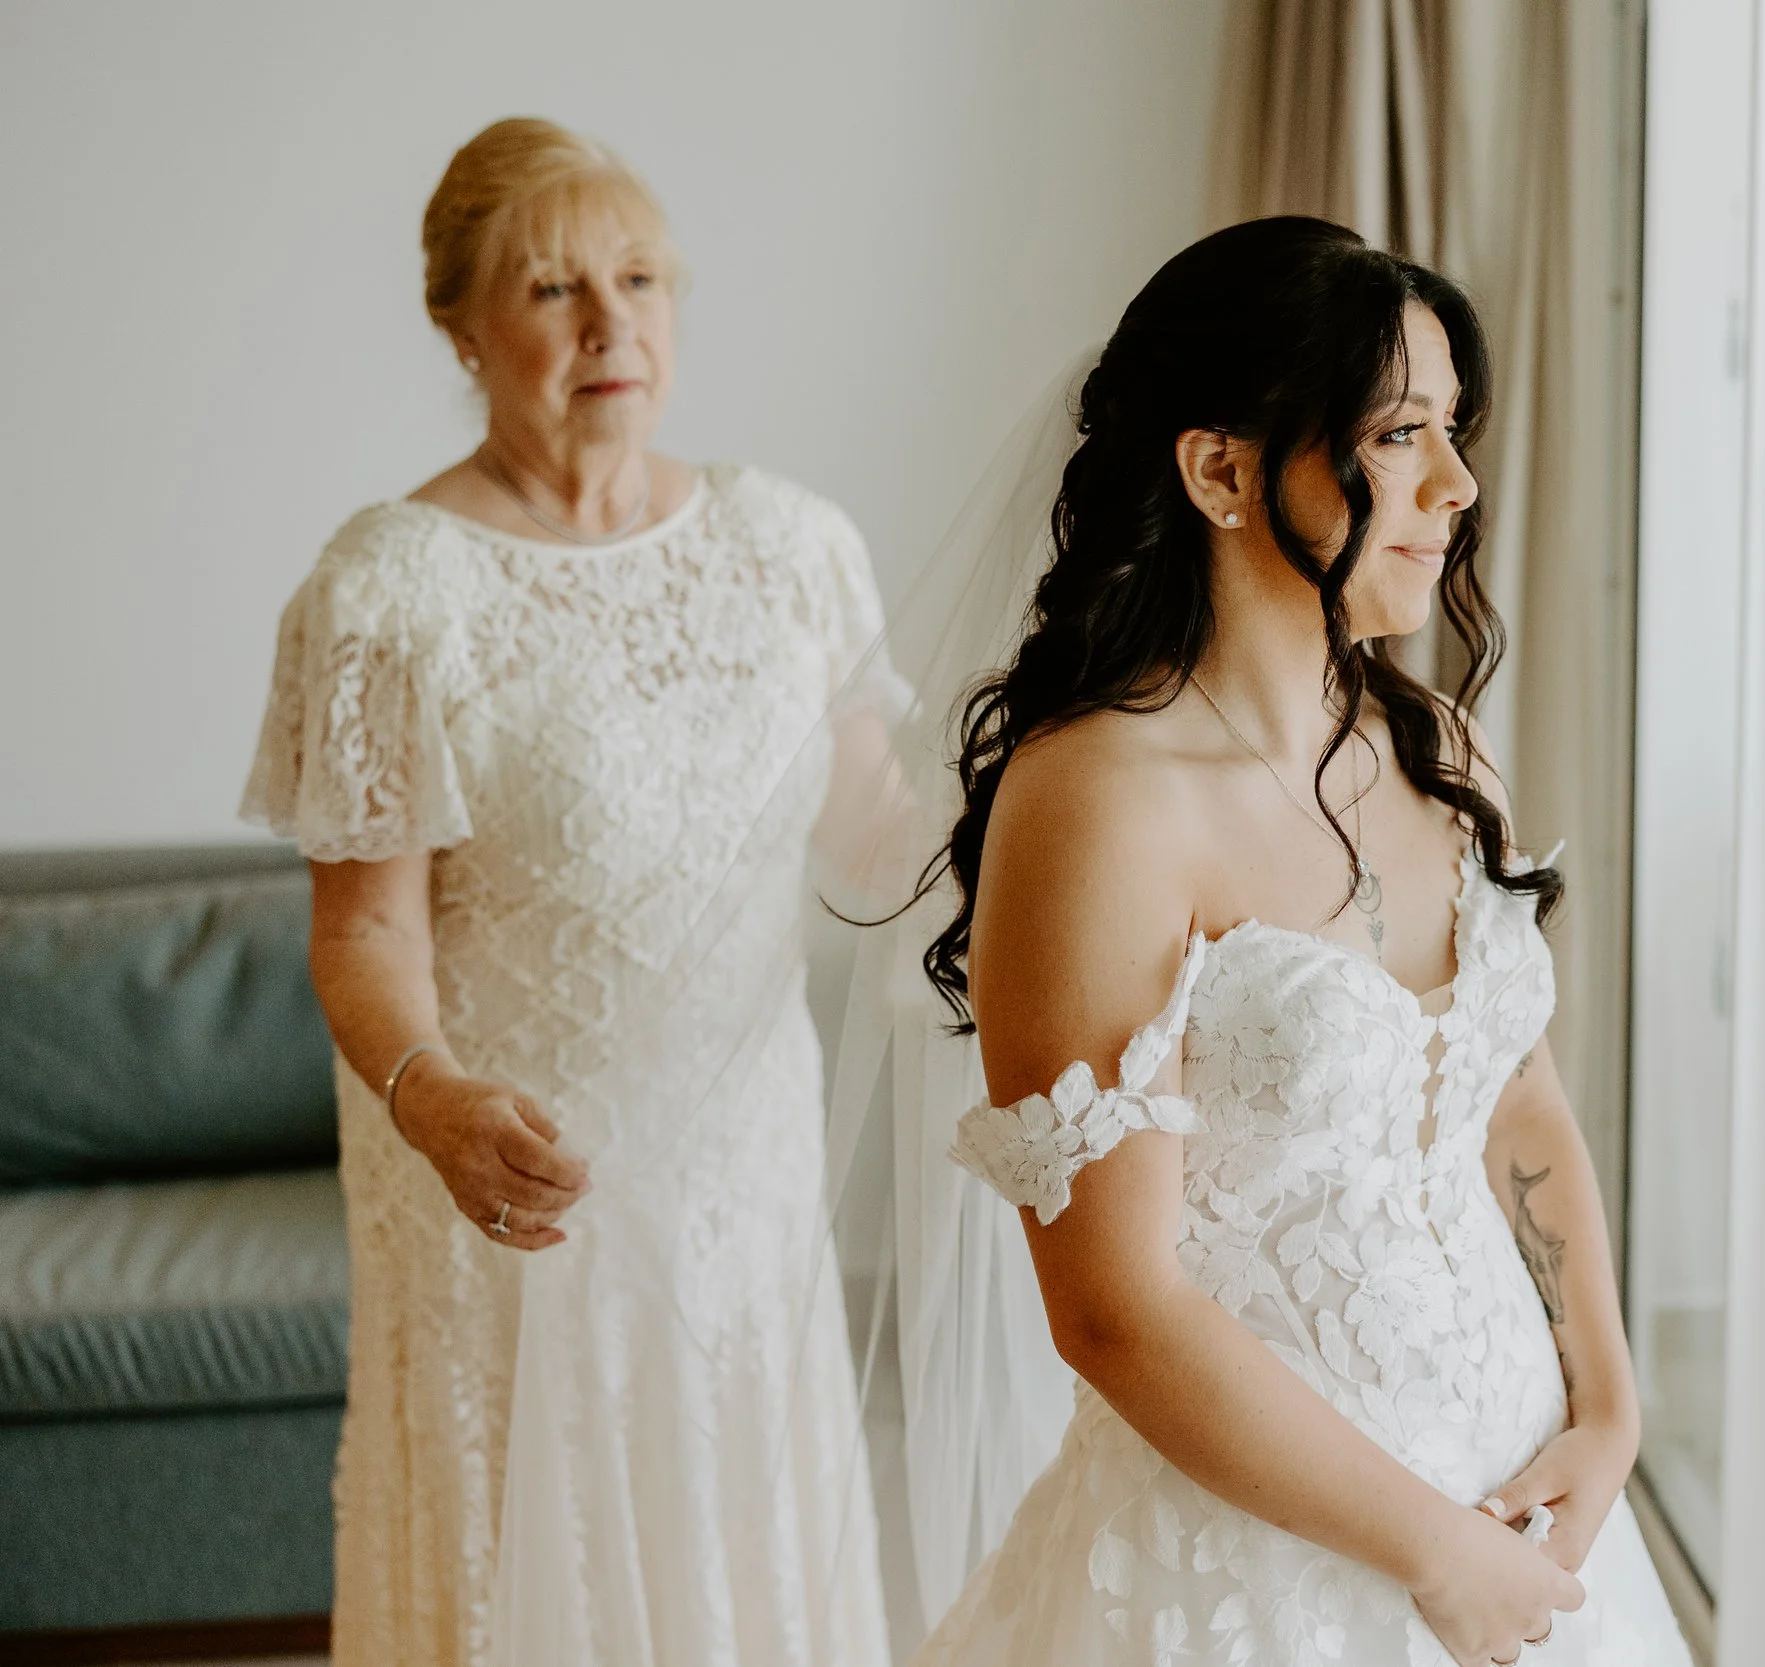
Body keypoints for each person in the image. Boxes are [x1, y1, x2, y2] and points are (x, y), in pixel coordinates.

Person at [911, 218, 1687, 1667]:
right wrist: (1436, 1557)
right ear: (1219, 469)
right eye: (1401, 435)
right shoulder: (1094, 805)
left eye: (1453, 429)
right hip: (1253, 1566)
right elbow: (1114, 1307)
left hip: (1525, 1502)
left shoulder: (1437, 746)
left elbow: (1514, 1095)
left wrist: (1607, 1407)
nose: (1456, 486)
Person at [240, 118, 887, 1666]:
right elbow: (367, 926)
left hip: (745, 1187)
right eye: (554, 288)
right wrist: (434, 1093)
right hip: (508, 1199)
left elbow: (877, 832)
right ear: (461, 326)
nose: (613, 325)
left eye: (643, 277)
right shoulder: (388, 589)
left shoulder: (794, 547)